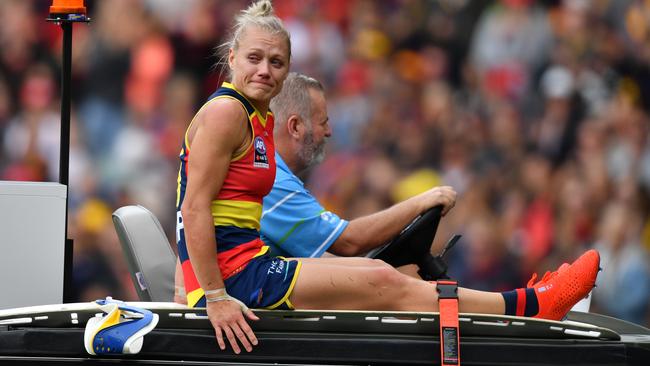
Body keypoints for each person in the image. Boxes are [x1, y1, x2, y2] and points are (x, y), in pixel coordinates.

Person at [176, 0, 601, 356]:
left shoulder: (256, 117)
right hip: (236, 278)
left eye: (276, 62)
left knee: (375, 275)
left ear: (288, 68)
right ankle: (527, 306)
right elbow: (192, 207)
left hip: (245, 268)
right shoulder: (226, 113)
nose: (265, 70)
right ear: (231, 57)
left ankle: (517, 304)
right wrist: (212, 297)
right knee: (379, 278)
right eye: (254, 59)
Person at [261, 73, 456, 259]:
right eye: (323, 123)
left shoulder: (269, 172)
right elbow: (349, 241)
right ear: (295, 127)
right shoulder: (271, 180)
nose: (329, 132)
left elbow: (326, 262)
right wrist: (420, 202)